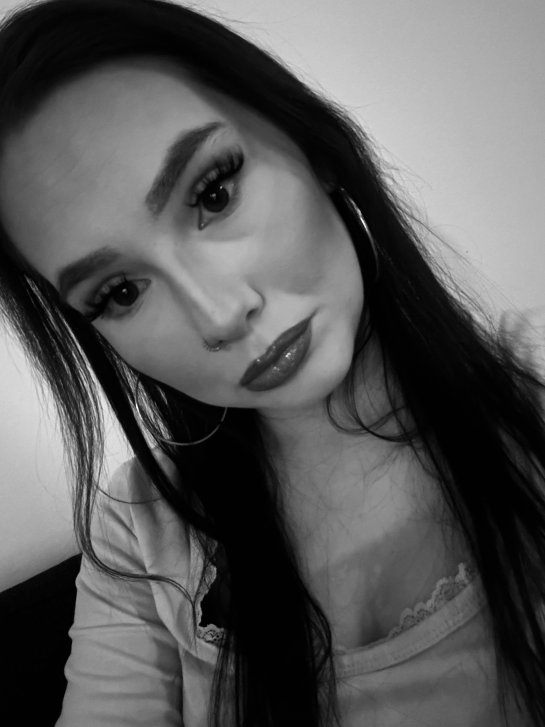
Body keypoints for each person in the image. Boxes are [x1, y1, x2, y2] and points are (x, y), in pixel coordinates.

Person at [0, 0, 543, 725]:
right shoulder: (138, 527)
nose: (220, 315)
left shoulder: (531, 392)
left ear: (312, 145)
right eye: (121, 291)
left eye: (214, 193)